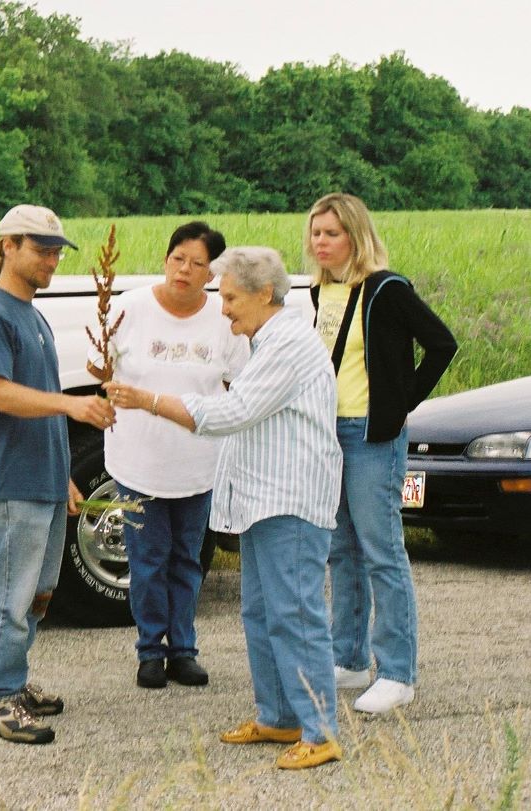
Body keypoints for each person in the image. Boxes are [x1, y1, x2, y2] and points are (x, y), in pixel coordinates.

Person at [107, 247, 343, 770]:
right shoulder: (266, 340)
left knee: (296, 615)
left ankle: (321, 730)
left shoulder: (288, 343)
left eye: (231, 297)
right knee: (260, 612)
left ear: (264, 294)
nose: (223, 308)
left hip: (292, 501)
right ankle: (279, 717)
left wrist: (148, 400)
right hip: (264, 500)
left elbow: (233, 411)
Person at [0, 204, 117, 745]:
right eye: (41, 249)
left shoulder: (31, 313)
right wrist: (73, 407)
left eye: (56, 250)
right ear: (8, 246)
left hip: (43, 478)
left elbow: (38, 410)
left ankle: (11, 680)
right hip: (11, 478)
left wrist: (64, 477)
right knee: (11, 588)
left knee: (39, 591)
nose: (52, 259)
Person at [305, 192, 457, 715]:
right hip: (326, 436)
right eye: (316, 233)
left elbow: (442, 343)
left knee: (381, 551)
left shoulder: (386, 290)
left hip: (371, 436)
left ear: (355, 235)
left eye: (331, 233)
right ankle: (347, 660)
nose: (320, 242)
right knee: (340, 549)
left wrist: (399, 403)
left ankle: (397, 671)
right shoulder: (318, 291)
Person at [88, 222, 249, 690]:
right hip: (138, 459)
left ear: (212, 274)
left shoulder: (224, 320)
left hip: (198, 462)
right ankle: (149, 651)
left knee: (187, 558)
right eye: (178, 258)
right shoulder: (129, 309)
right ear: (165, 259)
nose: (185, 270)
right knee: (147, 558)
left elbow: (241, 382)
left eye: (198, 264)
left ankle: (184, 649)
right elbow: (102, 366)